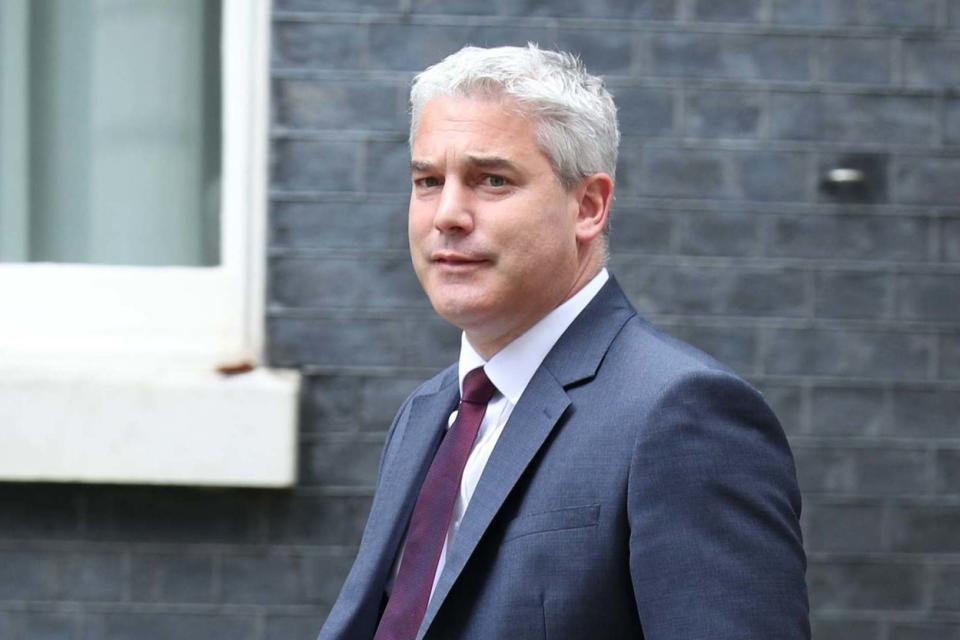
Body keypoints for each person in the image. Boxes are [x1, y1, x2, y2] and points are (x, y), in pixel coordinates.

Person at [318, 44, 809, 640]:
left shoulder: (681, 414)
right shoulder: (427, 414)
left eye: (491, 180)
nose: (448, 213)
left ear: (589, 206)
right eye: (428, 180)